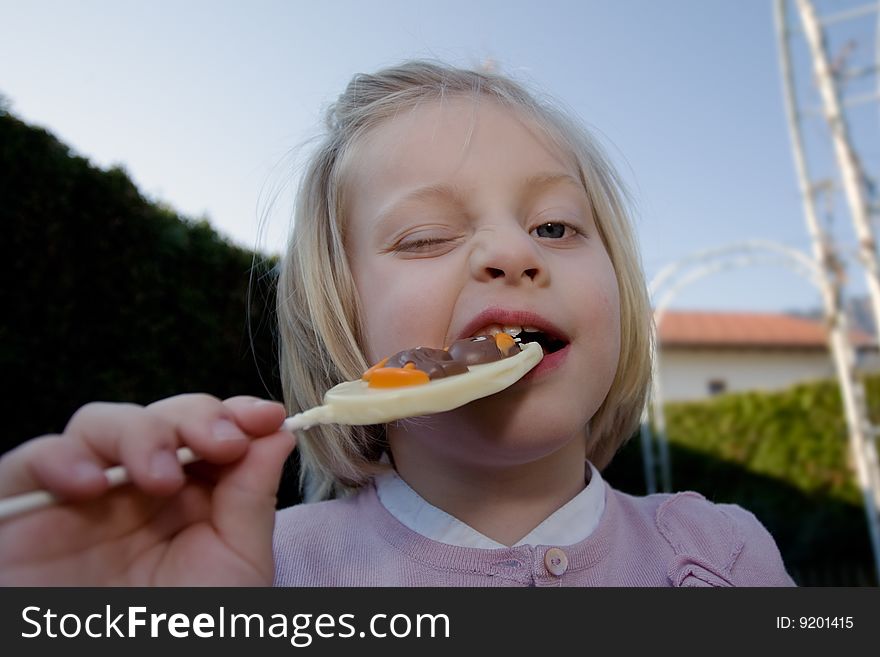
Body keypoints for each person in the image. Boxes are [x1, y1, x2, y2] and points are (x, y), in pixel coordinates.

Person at [0, 61, 794, 586]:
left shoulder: (721, 555)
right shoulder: (260, 574)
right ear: (339, 324)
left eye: (555, 227)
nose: (513, 252)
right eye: (424, 237)